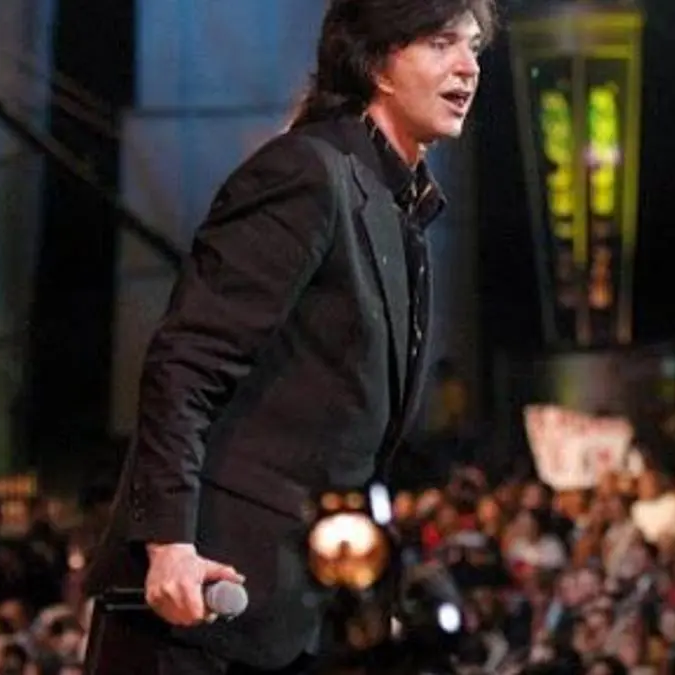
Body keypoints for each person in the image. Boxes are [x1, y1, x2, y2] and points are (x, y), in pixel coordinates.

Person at [82, 1, 496, 673]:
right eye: (440, 42)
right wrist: (168, 544)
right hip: (199, 608)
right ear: (378, 63)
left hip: (296, 613)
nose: (468, 67)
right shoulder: (306, 173)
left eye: (473, 46)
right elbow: (185, 364)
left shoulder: (400, 207)